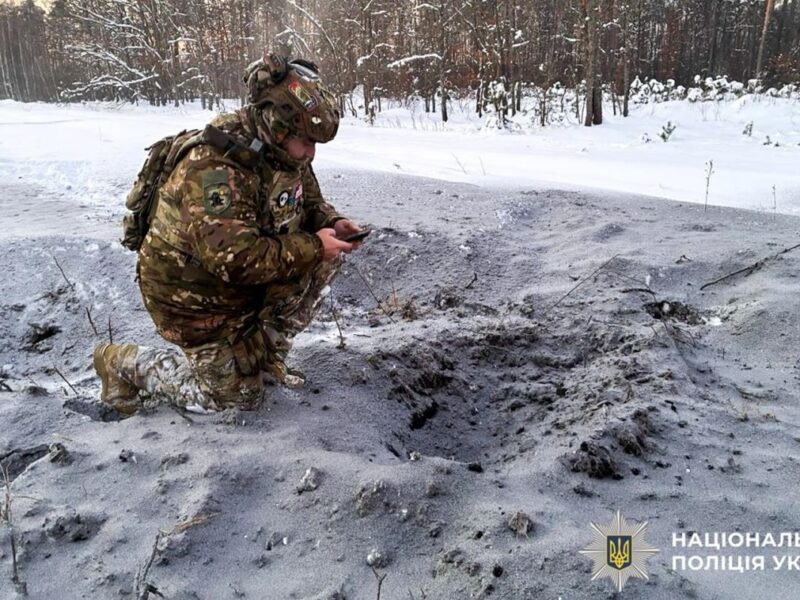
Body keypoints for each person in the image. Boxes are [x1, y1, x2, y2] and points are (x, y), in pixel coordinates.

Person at [93, 53, 363, 415]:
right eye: (306, 141)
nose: (311, 154)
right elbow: (233, 259)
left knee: (322, 259)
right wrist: (314, 245)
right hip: (192, 299)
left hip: (239, 288)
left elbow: (306, 201)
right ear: (276, 124)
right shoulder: (216, 164)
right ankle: (120, 362)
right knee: (234, 400)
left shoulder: (285, 154)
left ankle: (261, 361)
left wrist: (332, 221)